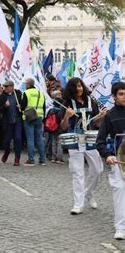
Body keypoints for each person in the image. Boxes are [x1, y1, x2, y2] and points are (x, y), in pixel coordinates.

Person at [59, 77, 105, 215]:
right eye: (76, 86)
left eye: (80, 86)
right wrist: (67, 116)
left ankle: (88, 193)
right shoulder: (66, 103)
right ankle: (78, 204)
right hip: (75, 140)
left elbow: (96, 123)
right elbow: (63, 126)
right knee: (77, 173)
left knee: (97, 170)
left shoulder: (91, 101)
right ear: (71, 89)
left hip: (90, 139)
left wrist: (101, 117)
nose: (79, 88)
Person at [96, 82, 125, 239]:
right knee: (119, 192)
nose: (124, 96)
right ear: (114, 96)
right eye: (121, 94)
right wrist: (107, 155)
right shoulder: (110, 116)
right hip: (118, 160)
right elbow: (100, 141)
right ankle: (120, 227)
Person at [20, 78, 46, 166]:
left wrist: (19, 106)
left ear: (28, 84)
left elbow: (23, 106)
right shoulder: (41, 93)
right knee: (39, 138)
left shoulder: (26, 93)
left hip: (29, 117)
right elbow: (44, 107)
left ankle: (31, 159)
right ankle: (42, 160)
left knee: (30, 139)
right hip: (39, 117)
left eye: (25, 84)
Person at [0, 81, 23, 166]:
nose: (5, 88)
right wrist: (5, 106)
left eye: (7, 86)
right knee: (7, 140)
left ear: (12, 87)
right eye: (4, 86)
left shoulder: (18, 94)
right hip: (7, 121)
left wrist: (21, 106)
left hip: (17, 121)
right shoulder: (2, 96)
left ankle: (17, 158)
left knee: (18, 139)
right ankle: (7, 152)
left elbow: (24, 104)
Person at [45, 90, 64, 163]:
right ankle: (59, 158)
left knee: (53, 142)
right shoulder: (61, 109)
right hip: (59, 127)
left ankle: (53, 157)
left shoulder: (51, 109)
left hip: (52, 127)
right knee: (59, 142)